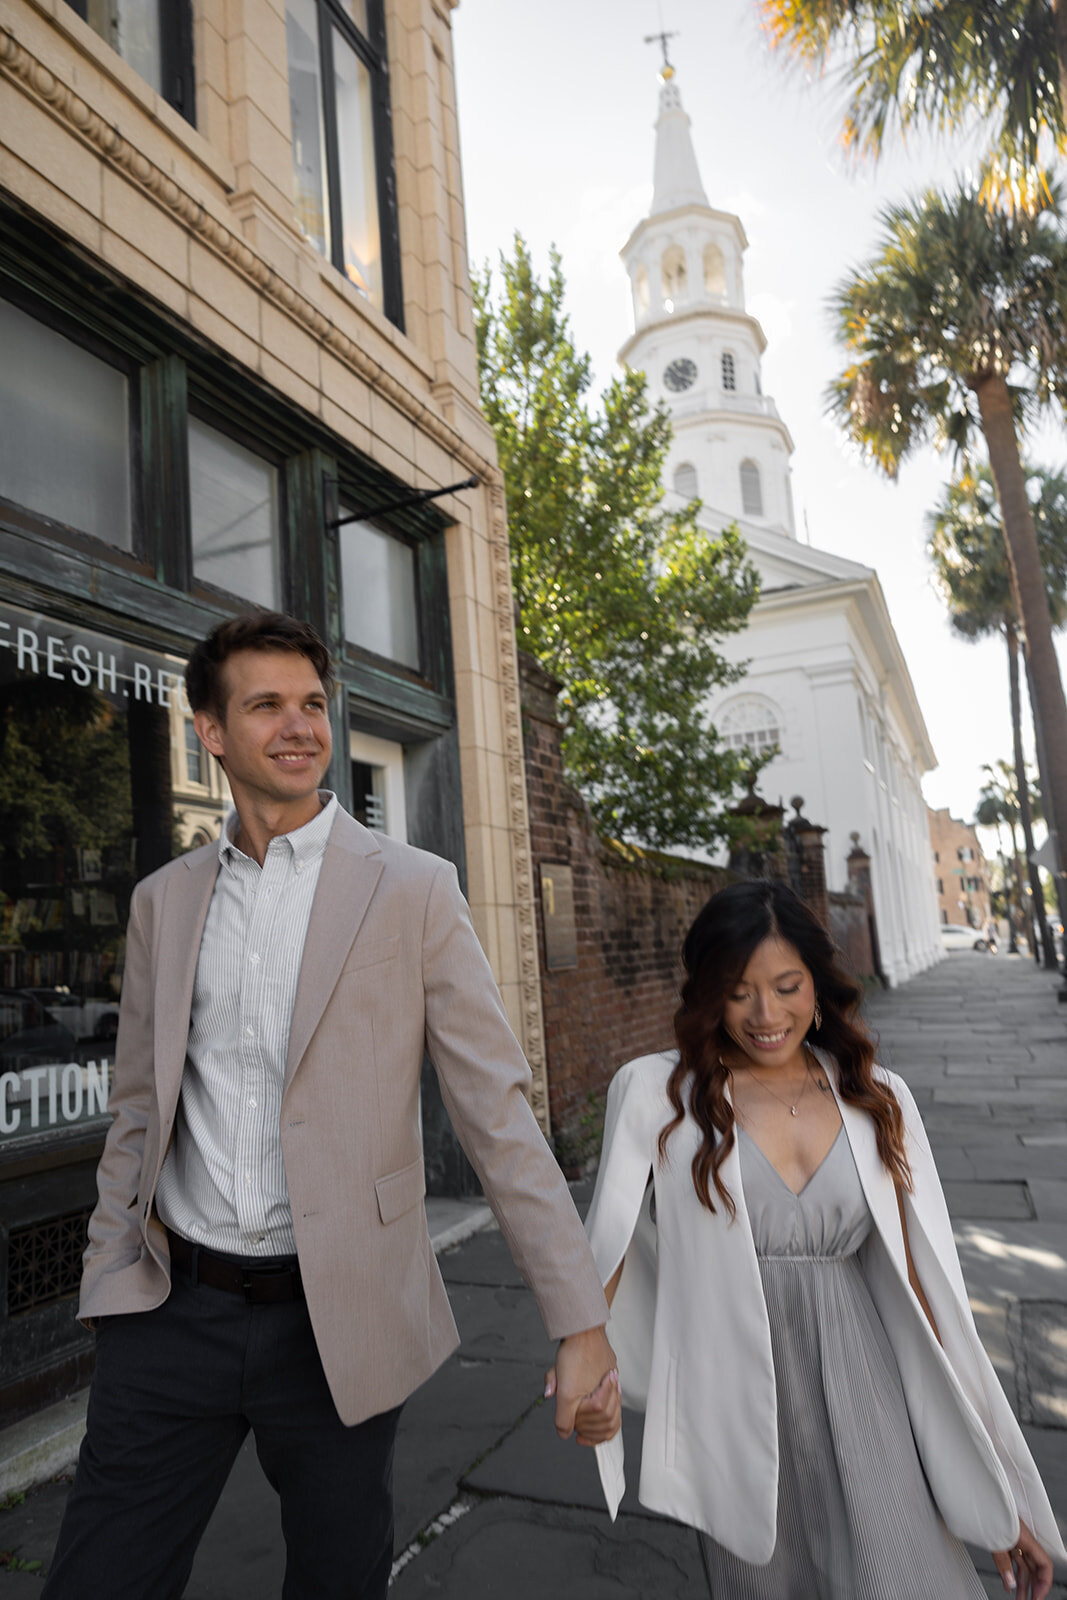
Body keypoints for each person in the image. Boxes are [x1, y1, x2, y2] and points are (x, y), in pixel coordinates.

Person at [42, 611, 619, 1600]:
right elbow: (137, 1110)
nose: (300, 724)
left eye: (312, 702)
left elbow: (497, 1114)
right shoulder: (162, 902)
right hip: (172, 1312)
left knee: (338, 1578)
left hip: (339, 1315)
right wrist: (111, 1277)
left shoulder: (413, 888)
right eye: (266, 704)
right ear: (209, 732)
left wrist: (579, 1321)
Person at [584, 879, 1065, 1600]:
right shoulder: (661, 1094)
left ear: (818, 984)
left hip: (868, 1378)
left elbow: (932, 1299)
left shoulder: (879, 1097)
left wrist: (1002, 1496)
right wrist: (585, 1366)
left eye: (786, 986)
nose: (766, 1014)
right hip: (734, 1400)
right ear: (707, 990)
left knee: (901, 1573)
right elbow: (603, 1255)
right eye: (738, 990)